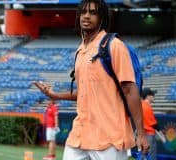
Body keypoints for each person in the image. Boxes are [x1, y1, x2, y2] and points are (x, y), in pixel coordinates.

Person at [33, 0, 149, 159]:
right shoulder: (81, 50)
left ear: (102, 18)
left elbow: (130, 90)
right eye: (84, 12)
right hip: (80, 134)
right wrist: (55, 95)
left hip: (109, 136)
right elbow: (84, 93)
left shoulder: (114, 46)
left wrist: (140, 133)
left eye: (93, 12)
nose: (86, 16)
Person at [141, 88, 158, 160]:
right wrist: (162, 136)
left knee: (144, 154)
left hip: (142, 133)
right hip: (149, 133)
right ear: (148, 96)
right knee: (151, 155)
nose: (153, 96)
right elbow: (154, 124)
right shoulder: (147, 106)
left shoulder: (140, 104)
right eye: (152, 95)